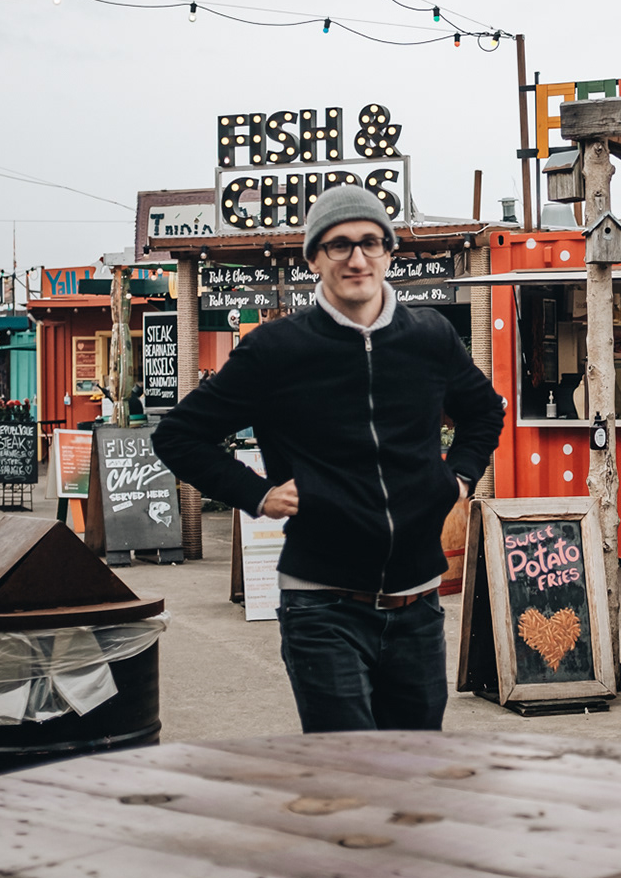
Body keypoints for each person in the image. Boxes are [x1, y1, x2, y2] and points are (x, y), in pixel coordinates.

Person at [155, 185, 506, 733]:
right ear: (313, 257)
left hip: (418, 607)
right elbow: (179, 436)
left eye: (370, 242)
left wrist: (458, 478)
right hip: (323, 609)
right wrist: (257, 494)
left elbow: (485, 411)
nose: (357, 258)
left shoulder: (430, 337)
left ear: (390, 251)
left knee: (413, 773)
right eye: (338, 245)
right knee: (348, 775)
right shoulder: (277, 350)